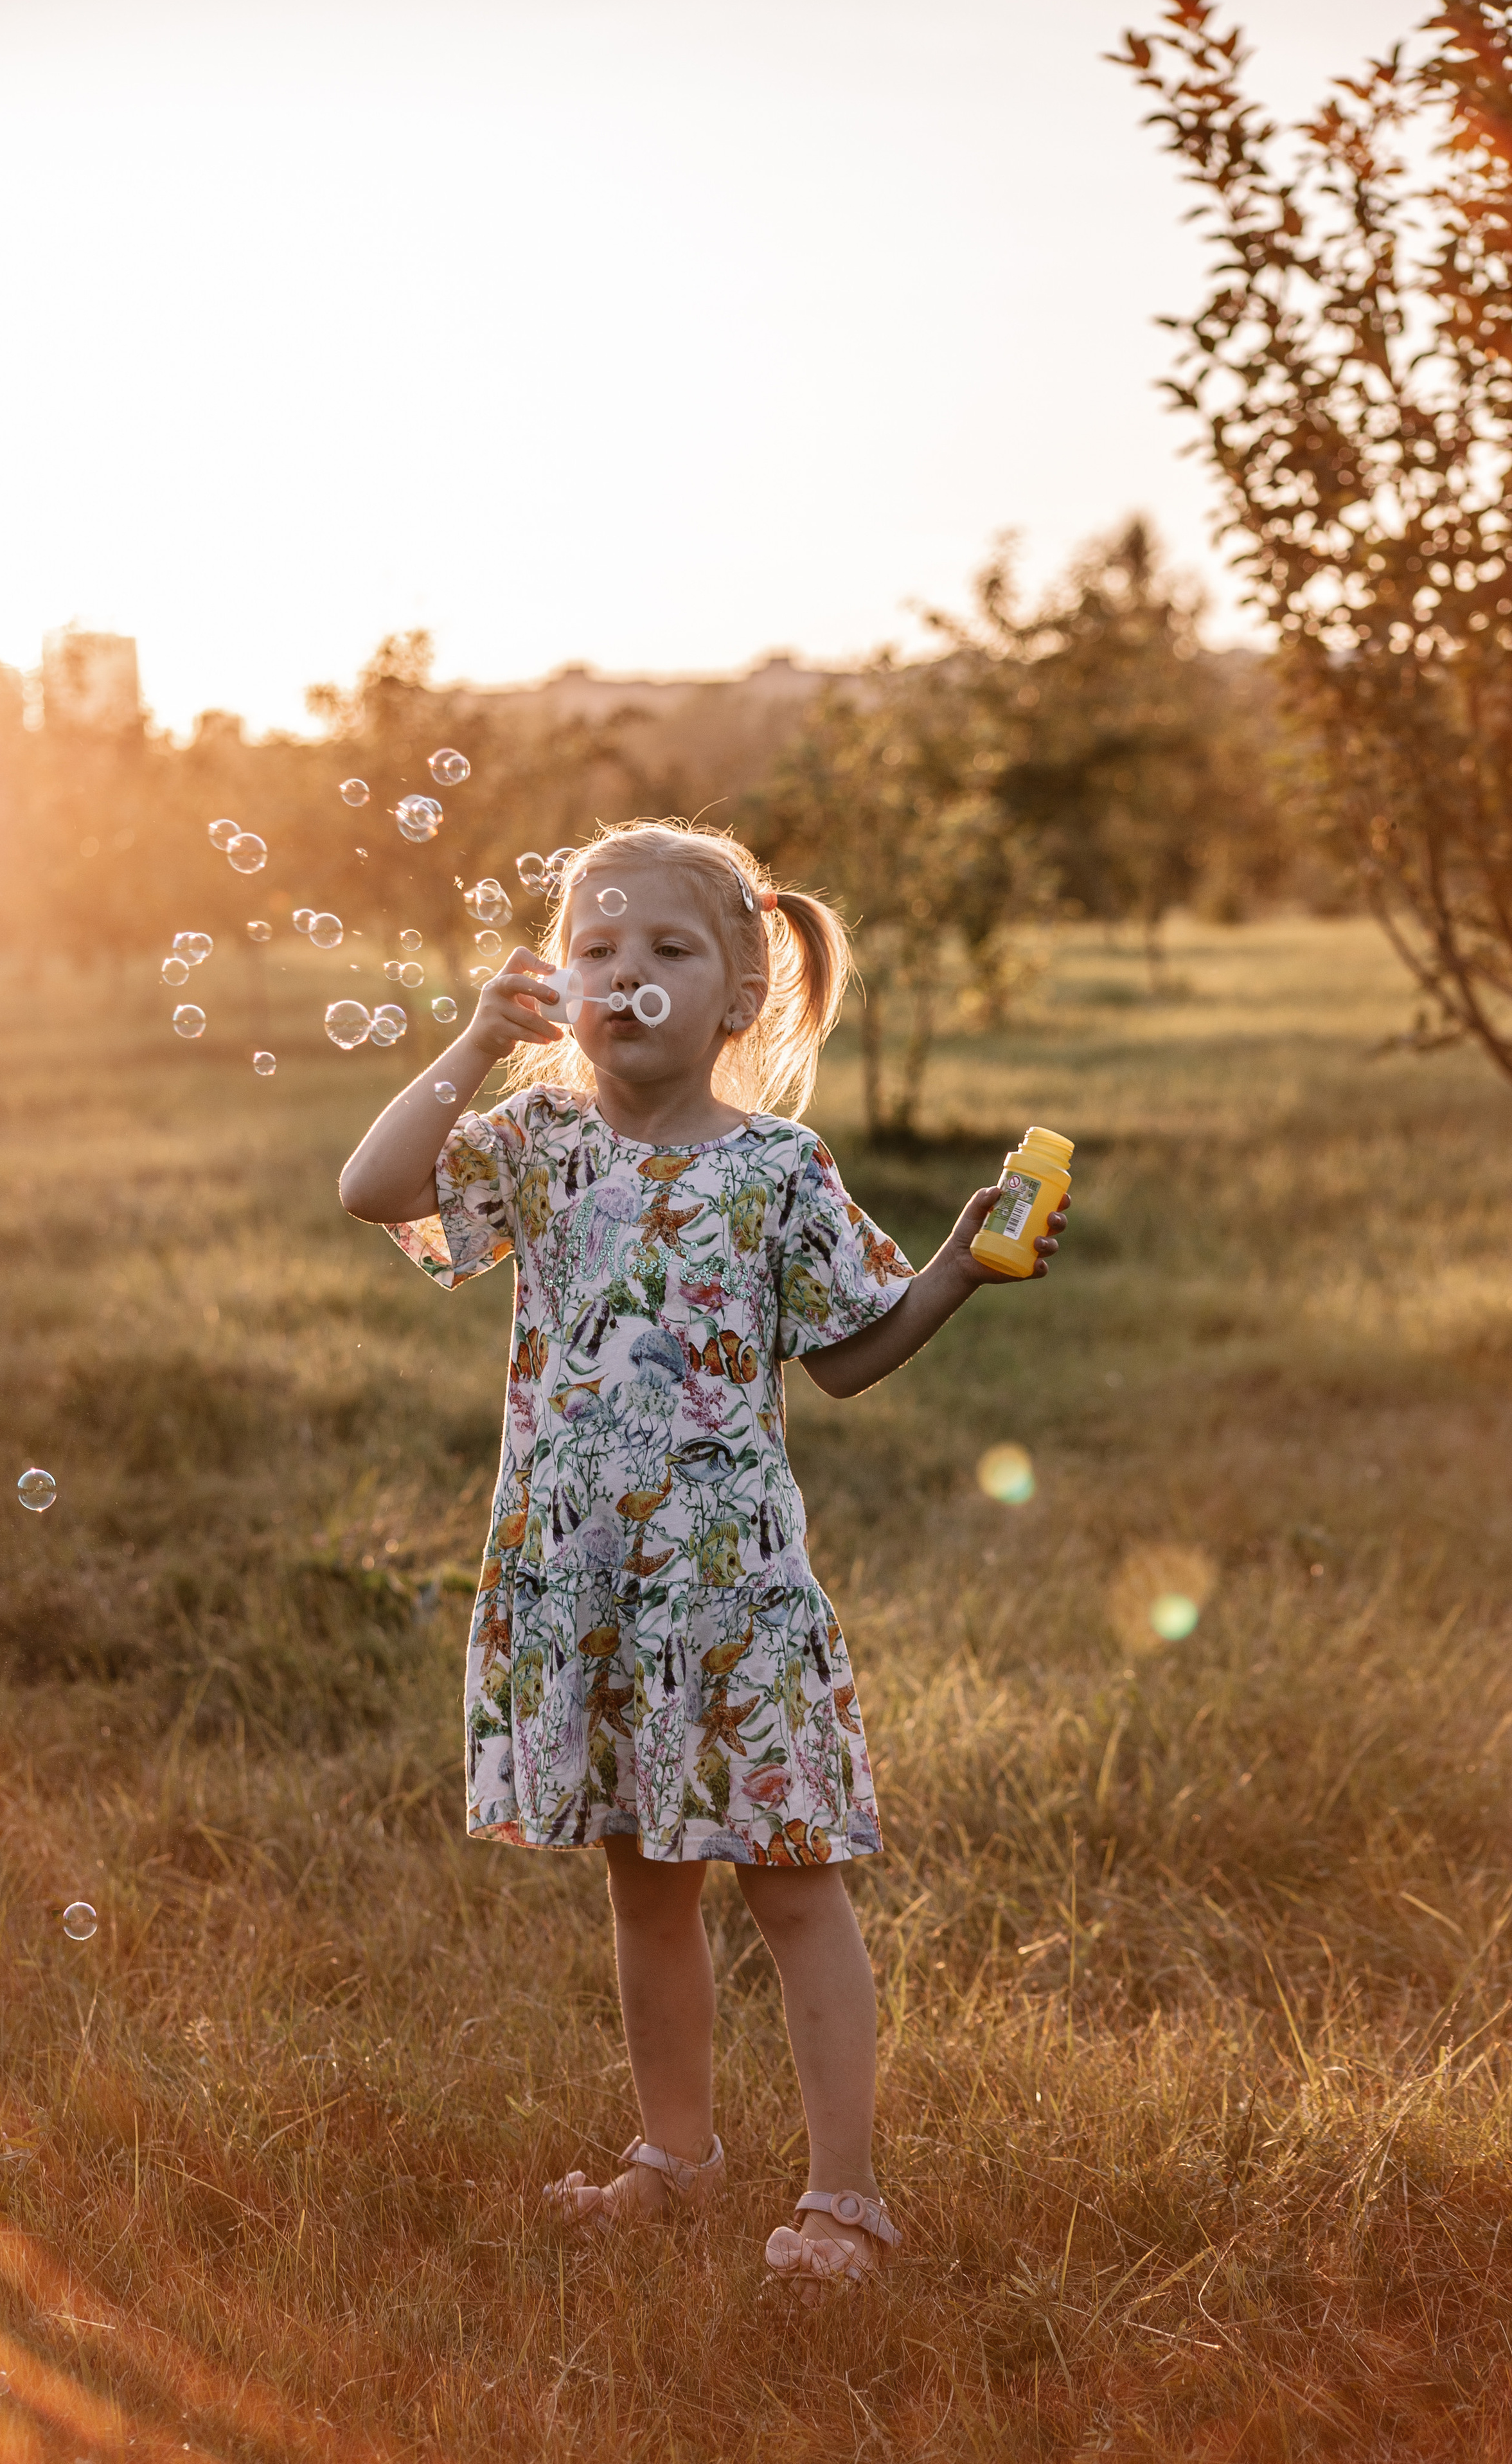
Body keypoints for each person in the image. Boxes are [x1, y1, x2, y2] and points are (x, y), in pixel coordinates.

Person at [338, 819, 1068, 2292]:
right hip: (584, 1592)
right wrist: (475, 1044)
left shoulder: (776, 1167)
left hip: (724, 1596)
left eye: (667, 952)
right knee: (640, 1880)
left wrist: (950, 1271)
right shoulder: (532, 1146)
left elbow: (848, 1361)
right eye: (595, 950)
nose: (627, 977)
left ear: (740, 997)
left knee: (790, 1880)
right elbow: (371, 1190)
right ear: (560, 982)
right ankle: (673, 2155)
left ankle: (843, 2200)